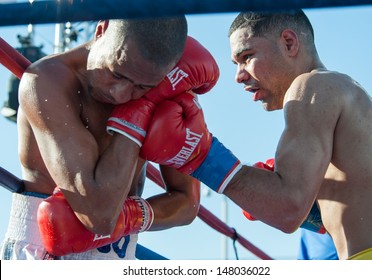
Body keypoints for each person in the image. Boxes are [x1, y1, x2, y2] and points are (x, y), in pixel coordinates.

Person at [138, 10, 372, 259]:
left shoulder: (312, 87)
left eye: (247, 56)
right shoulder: (357, 98)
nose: (238, 76)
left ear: (289, 43)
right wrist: (311, 208)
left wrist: (203, 156)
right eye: (236, 64)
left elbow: (288, 208)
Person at [0, 17, 220, 260]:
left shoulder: (165, 90)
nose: (120, 94)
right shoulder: (46, 81)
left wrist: (131, 217)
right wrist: (138, 112)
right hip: (42, 253)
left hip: (119, 256)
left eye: (142, 87)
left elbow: (187, 202)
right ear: (101, 29)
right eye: (116, 73)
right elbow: (99, 216)